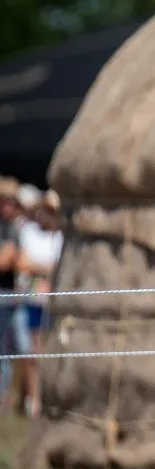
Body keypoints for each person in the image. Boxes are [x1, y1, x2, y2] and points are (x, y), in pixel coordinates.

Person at [14, 188, 62, 418]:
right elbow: (23, 263)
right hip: (32, 300)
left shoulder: (61, 237)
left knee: (48, 352)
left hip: (53, 302)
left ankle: (46, 399)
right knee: (31, 352)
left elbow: (59, 267)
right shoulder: (29, 232)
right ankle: (32, 399)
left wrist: (38, 267)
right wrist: (45, 268)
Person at [0, 178, 20, 413]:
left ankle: (3, 400)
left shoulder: (11, 229)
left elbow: (8, 261)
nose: (10, 205)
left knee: (5, 349)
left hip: (5, 295)